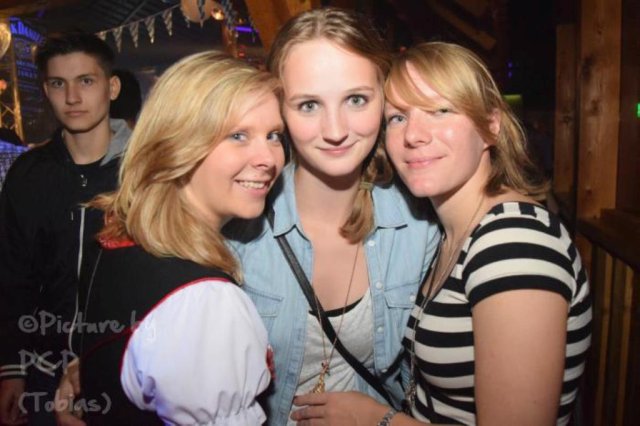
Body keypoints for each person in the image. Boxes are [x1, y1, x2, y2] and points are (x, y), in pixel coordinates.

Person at [291, 41, 592, 426]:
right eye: (398, 117)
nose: (414, 135)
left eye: (440, 111)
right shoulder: (450, 234)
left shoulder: (515, 242)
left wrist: (376, 419)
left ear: (491, 125)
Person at [224, 8, 440, 426]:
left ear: (384, 98)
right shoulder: (238, 228)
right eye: (309, 105)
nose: (336, 129)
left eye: (356, 99)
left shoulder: (420, 226)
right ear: (279, 110)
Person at [54, 51, 285, 425]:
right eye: (238, 135)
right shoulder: (203, 301)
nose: (269, 158)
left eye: (274, 135)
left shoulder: (120, 238)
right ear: (179, 144)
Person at [0, 31, 130, 426]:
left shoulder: (144, 172)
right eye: (58, 83)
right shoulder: (28, 174)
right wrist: (11, 368)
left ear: (111, 87)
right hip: (43, 368)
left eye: (85, 81)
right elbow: (11, 275)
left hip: (126, 368)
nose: (72, 97)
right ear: (46, 90)